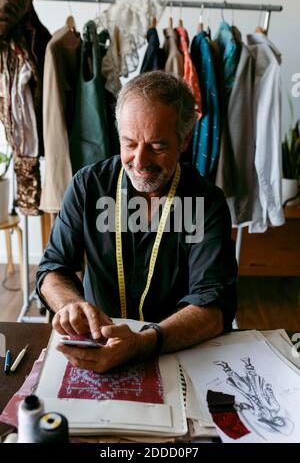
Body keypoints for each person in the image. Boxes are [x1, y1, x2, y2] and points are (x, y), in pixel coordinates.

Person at [36, 71, 237, 373]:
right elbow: (52, 269)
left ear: (184, 141)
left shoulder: (207, 203)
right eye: (129, 144)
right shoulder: (89, 186)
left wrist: (142, 343)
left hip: (172, 349)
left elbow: (213, 307)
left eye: (157, 146)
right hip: (97, 345)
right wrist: (69, 305)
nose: (139, 162)